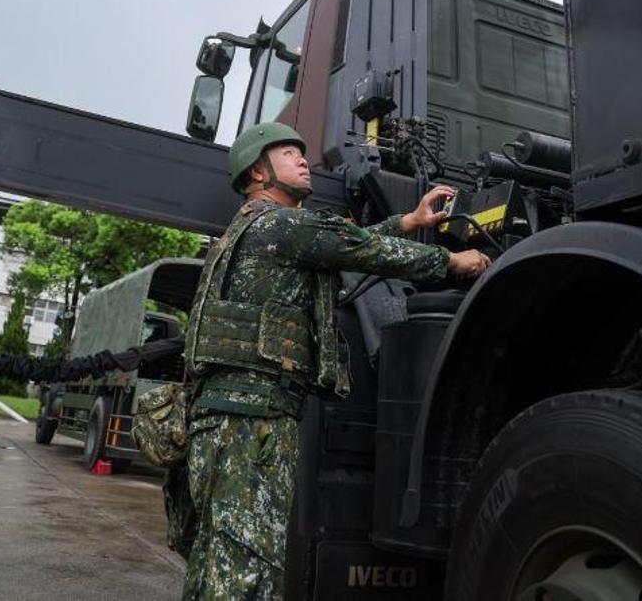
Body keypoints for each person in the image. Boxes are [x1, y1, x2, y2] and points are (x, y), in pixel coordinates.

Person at [181, 122, 490, 600]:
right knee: (249, 567)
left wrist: (408, 222)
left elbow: (338, 242)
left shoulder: (250, 229)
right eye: (288, 153)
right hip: (253, 425)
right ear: (259, 171)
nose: (304, 160)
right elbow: (359, 249)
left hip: (225, 422)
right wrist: (453, 262)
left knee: (217, 559)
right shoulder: (283, 225)